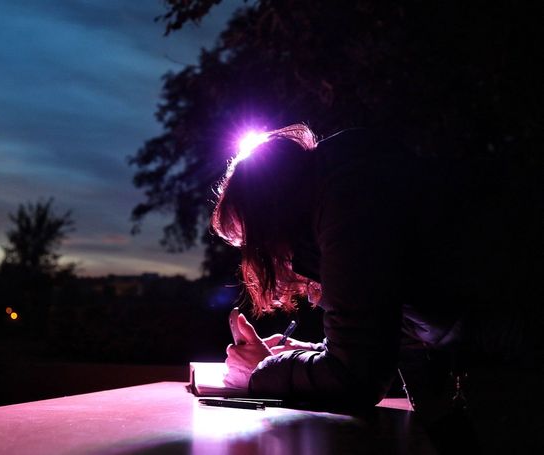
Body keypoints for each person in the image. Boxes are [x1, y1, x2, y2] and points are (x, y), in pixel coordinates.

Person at [212, 124, 544, 452]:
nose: (260, 255)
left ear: (270, 219)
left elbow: (356, 377)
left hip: (519, 368)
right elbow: (380, 328)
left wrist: (261, 372)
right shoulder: (341, 186)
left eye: (252, 241)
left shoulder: (349, 204)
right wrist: (303, 354)